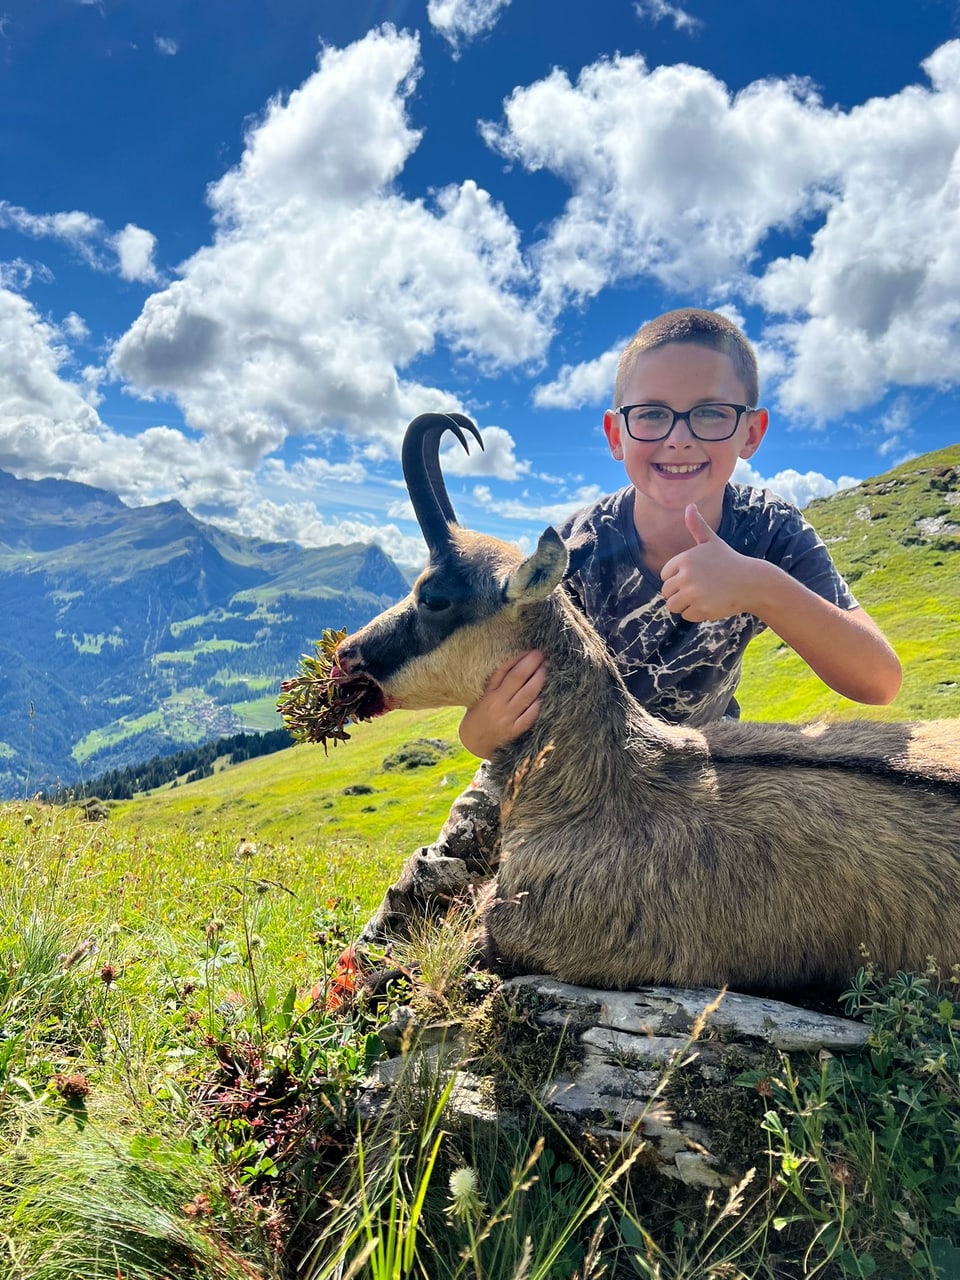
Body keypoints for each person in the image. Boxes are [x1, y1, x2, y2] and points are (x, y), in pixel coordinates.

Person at [357, 307, 902, 948]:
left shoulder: (771, 533)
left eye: (710, 413)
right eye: (651, 415)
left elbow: (878, 679)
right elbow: (500, 679)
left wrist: (759, 584)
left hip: (692, 771)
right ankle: (350, 998)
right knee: (426, 907)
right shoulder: (573, 551)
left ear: (750, 431)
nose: (678, 438)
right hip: (561, 765)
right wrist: (480, 736)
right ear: (617, 436)